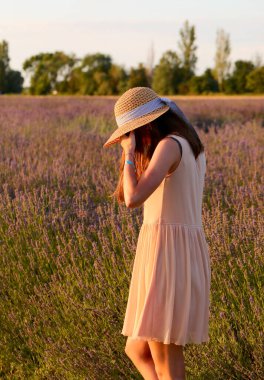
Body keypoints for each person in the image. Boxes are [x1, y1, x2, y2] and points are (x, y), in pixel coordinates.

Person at [103, 87, 211, 380]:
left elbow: (133, 198)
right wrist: (134, 155)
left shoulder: (169, 146)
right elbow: (130, 196)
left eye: (131, 133)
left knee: (166, 362)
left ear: (145, 125)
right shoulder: (188, 145)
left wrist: (127, 154)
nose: (131, 141)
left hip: (167, 256)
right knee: (137, 350)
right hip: (172, 252)